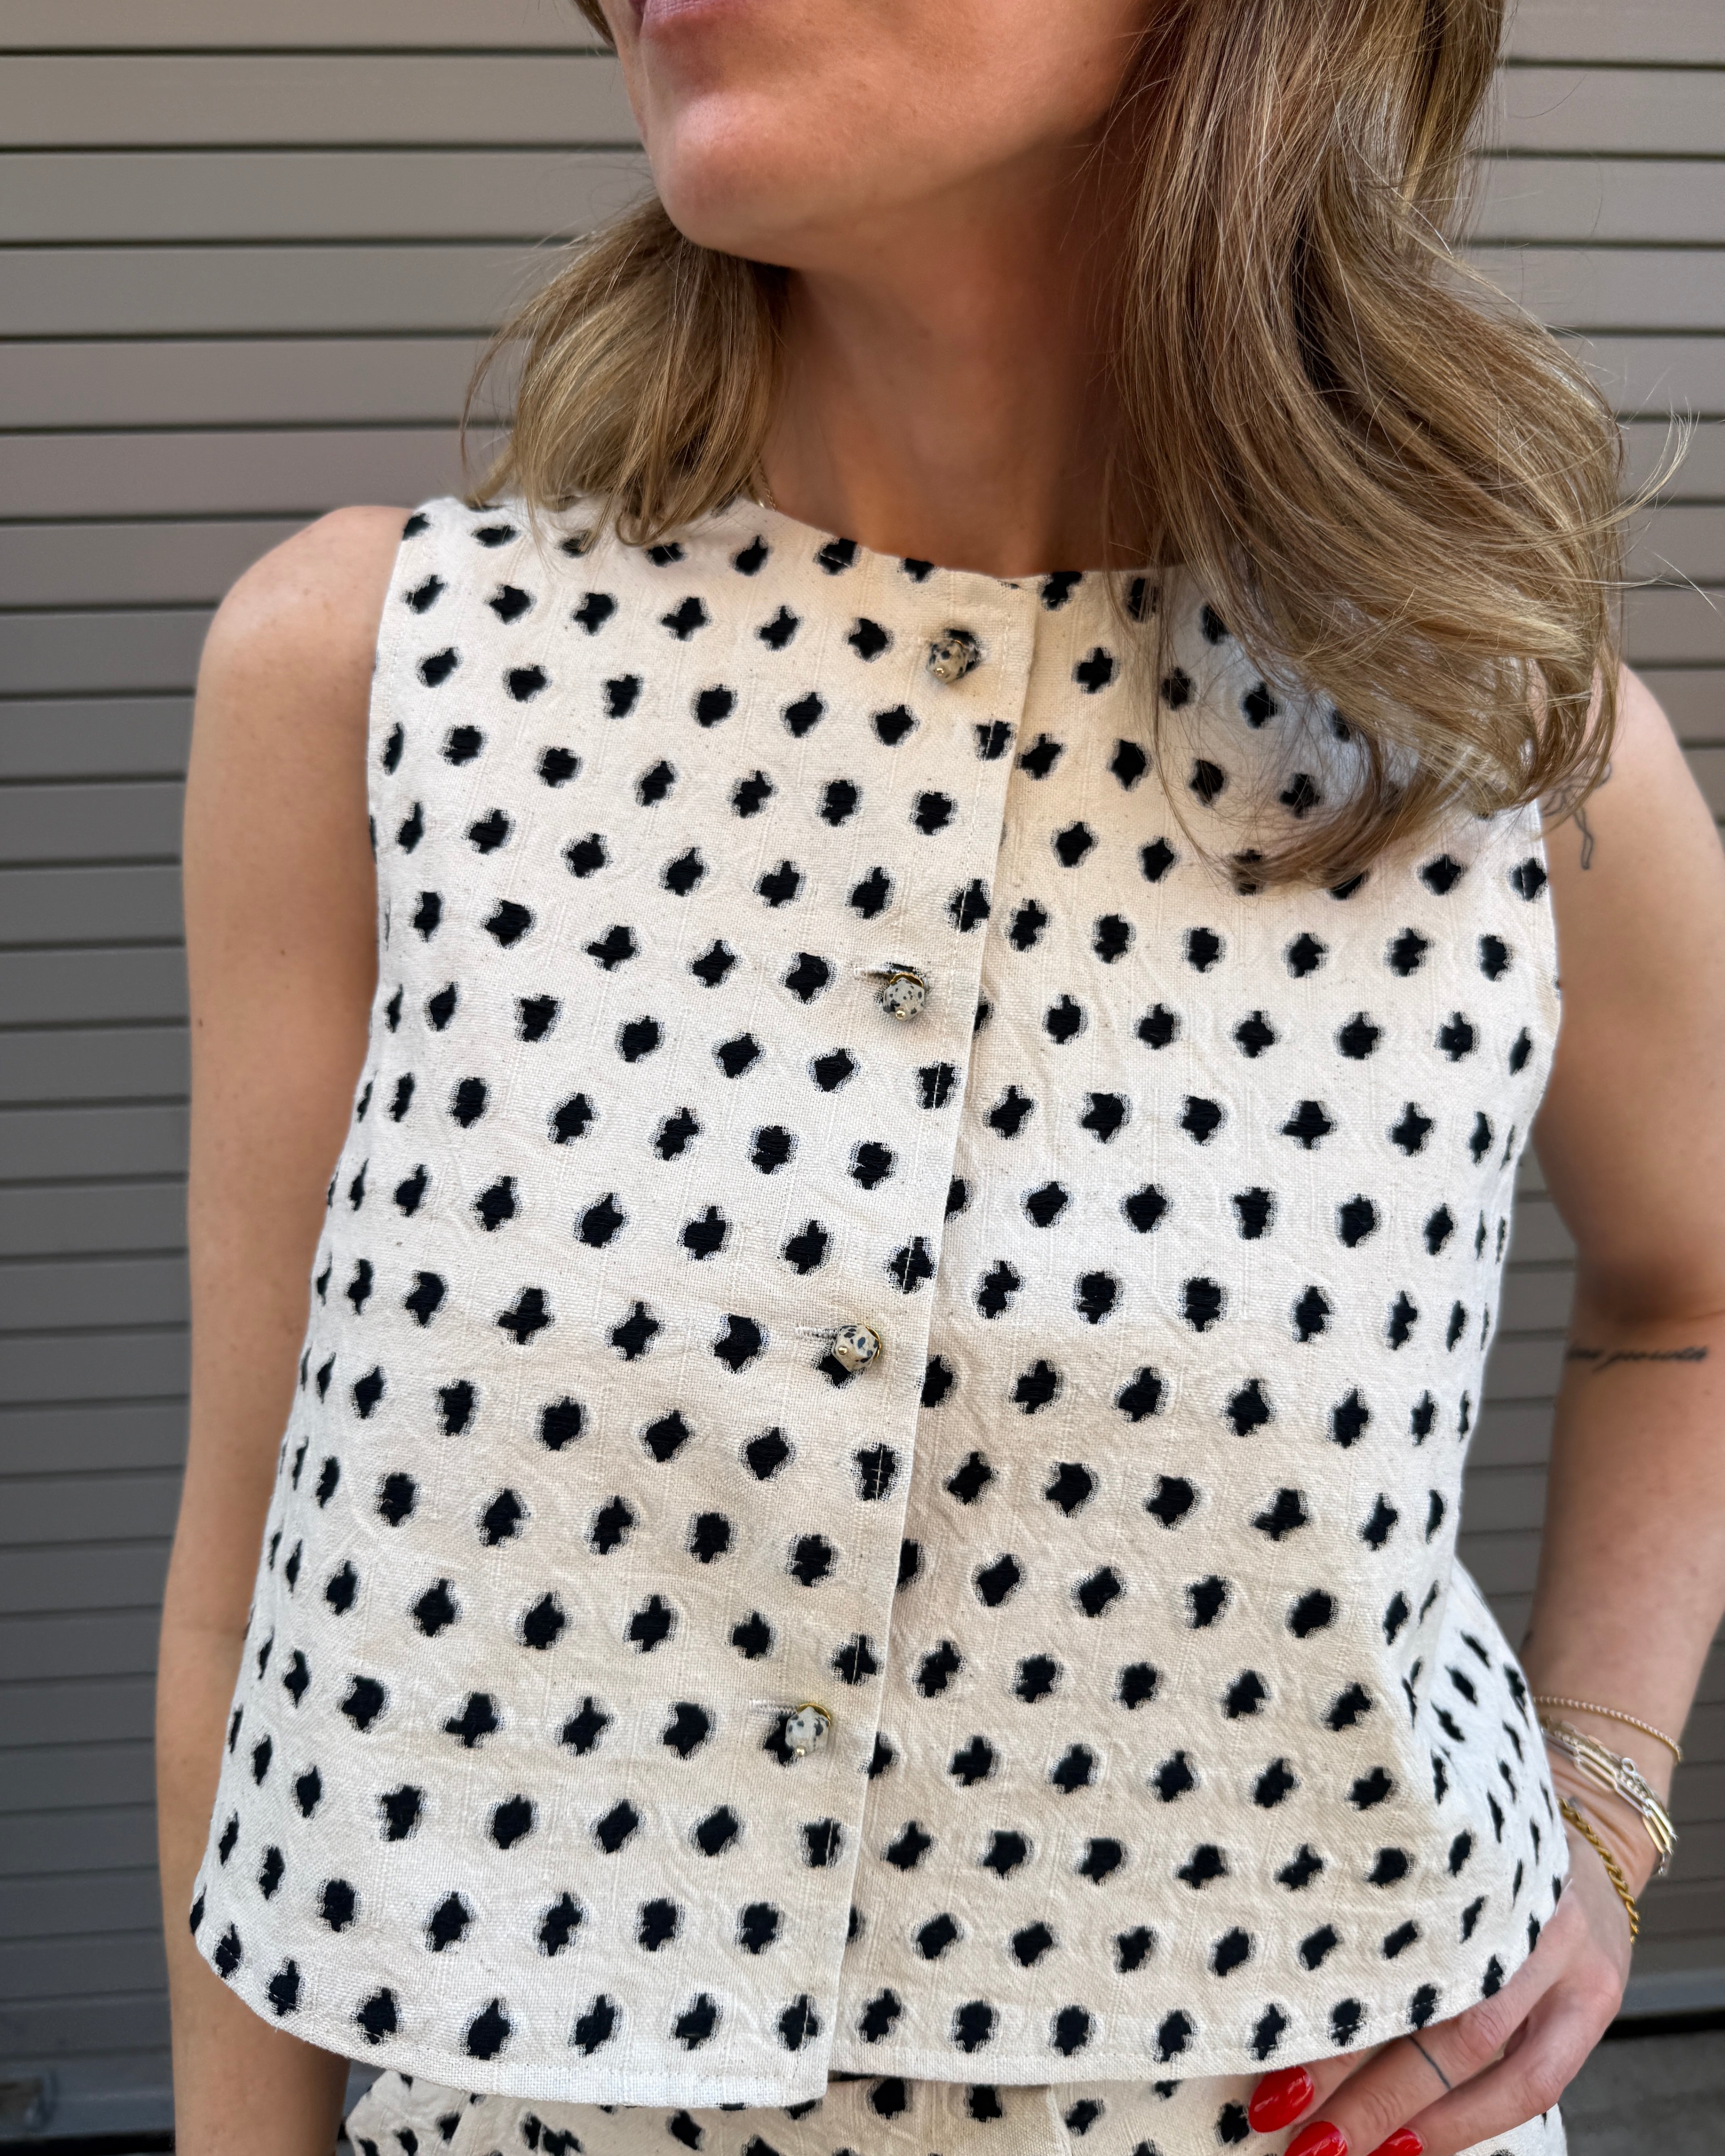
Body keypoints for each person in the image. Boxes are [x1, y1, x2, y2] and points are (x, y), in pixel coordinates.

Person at [156, 2, 1725, 2153]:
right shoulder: (364, 681)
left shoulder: (1504, 758)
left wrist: (1600, 1802)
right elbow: (254, 1569)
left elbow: (1694, 1294)